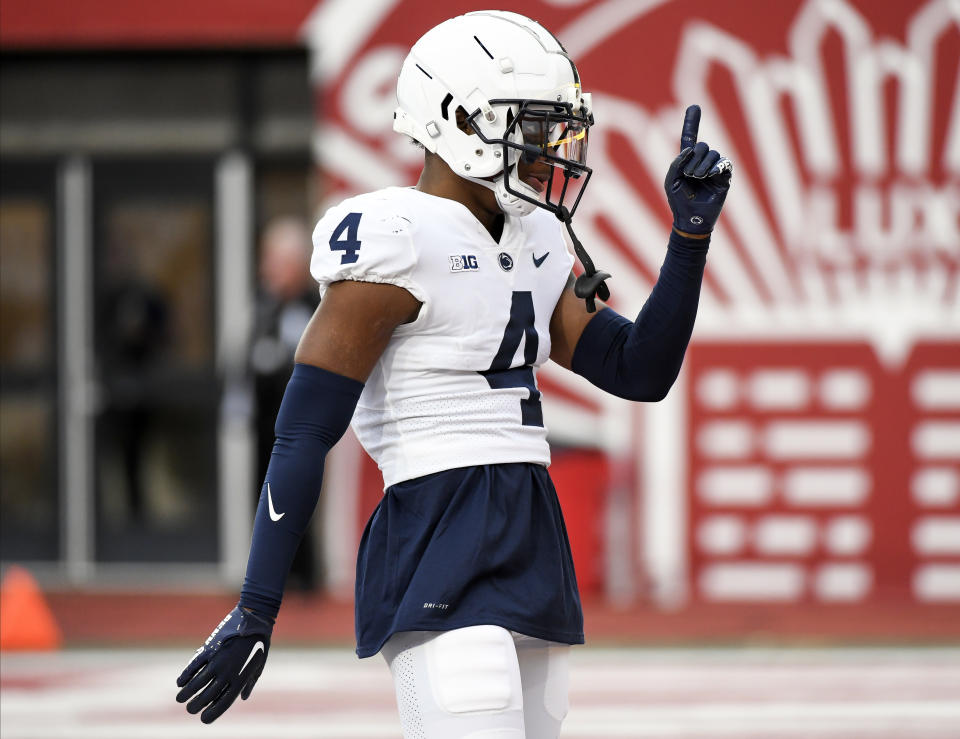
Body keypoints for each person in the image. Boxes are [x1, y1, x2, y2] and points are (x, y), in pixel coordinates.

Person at [176, 10, 731, 738]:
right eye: (533, 129)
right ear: (457, 120)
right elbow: (304, 430)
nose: (550, 151)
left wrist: (688, 241)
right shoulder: (396, 239)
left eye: (557, 129)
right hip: (436, 526)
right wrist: (257, 605)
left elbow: (639, 369)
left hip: (531, 522)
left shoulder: (534, 236)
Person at [249, 216, 320, 590]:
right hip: (263, 424)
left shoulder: (315, 306)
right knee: (262, 497)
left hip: (301, 426)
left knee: (296, 499)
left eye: (275, 261)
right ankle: (270, 576)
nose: (267, 270)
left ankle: (306, 575)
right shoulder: (263, 308)